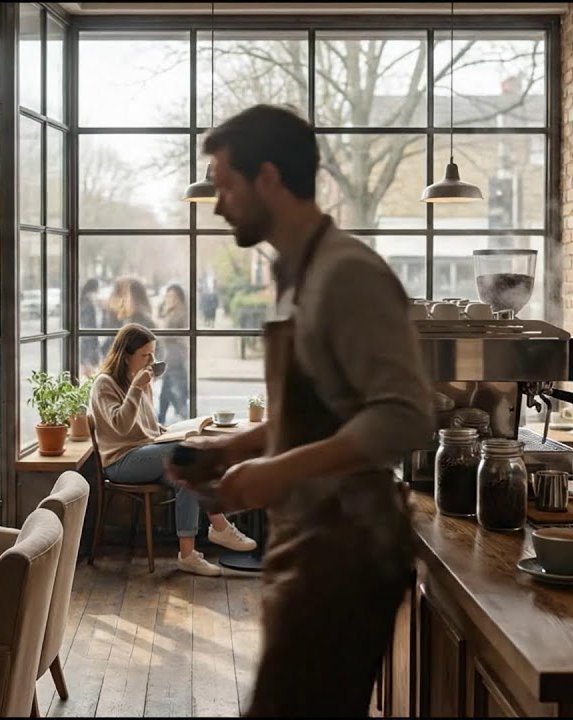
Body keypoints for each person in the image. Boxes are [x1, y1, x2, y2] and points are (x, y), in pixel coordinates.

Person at [169, 104, 434, 716]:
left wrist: (278, 472)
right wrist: (234, 450)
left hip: (347, 553)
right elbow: (325, 412)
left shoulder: (346, 274)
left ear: (268, 178)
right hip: (312, 544)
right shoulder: (299, 275)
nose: (217, 204)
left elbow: (404, 415)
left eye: (225, 184)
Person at [90, 323, 257, 577]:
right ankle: (220, 526)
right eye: (145, 355)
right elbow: (122, 427)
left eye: (153, 354)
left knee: (187, 475)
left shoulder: (140, 380)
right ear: (126, 355)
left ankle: (188, 556)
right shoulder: (105, 384)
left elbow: (144, 424)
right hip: (121, 462)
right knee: (186, 455)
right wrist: (136, 387)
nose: (151, 361)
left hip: (145, 453)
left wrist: (166, 431)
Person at [156, 283, 191, 424]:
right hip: (170, 357)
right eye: (168, 296)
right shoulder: (170, 311)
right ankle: (162, 418)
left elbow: (168, 334)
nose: (169, 299)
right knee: (167, 392)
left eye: (172, 296)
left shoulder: (180, 312)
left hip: (175, 357)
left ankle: (184, 417)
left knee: (175, 393)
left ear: (179, 297)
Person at [79, 278, 104, 377]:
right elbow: (89, 320)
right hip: (90, 335)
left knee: (89, 362)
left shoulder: (88, 300)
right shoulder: (88, 300)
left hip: (90, 335)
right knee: (89, 362)